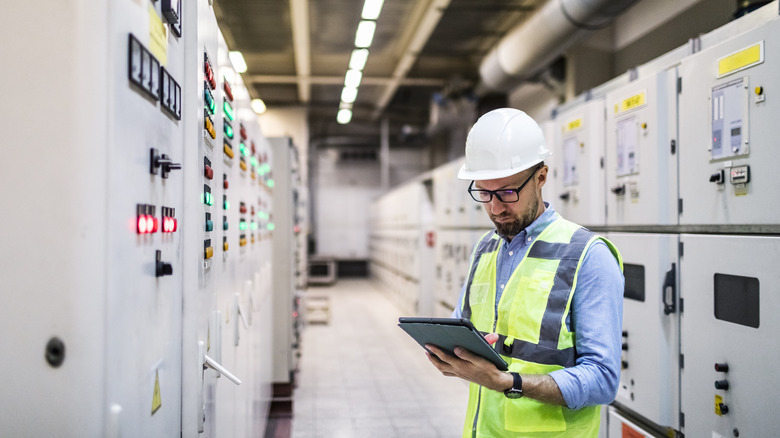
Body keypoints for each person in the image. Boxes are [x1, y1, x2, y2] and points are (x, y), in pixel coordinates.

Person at [424, 108, 624, 437]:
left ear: (541, 177)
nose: (495, 208)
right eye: (484, 193)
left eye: (506, 193)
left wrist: (509, 382)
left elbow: (602, 380)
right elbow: (461, 323)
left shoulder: (588, 257)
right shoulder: (485, 249)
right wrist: (451, 354)